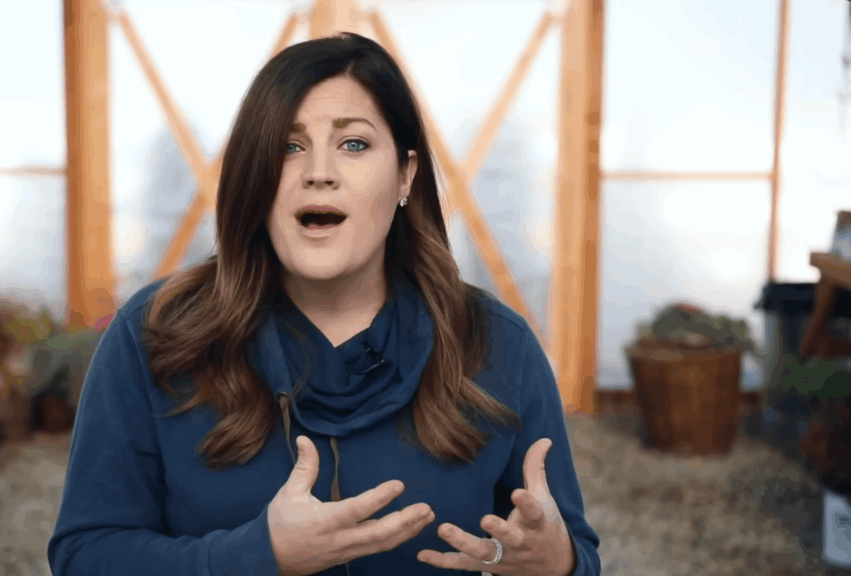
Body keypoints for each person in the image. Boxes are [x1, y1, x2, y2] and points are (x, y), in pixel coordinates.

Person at [48, 32, 601, 576]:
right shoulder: (153, 333)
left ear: (405, 175)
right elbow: (85, 555)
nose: (318, 172)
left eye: (353, 144)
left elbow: (574, 554)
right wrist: (256, 556)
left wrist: (558, 563)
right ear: (254, 176)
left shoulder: (501, 344)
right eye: (288, 147)